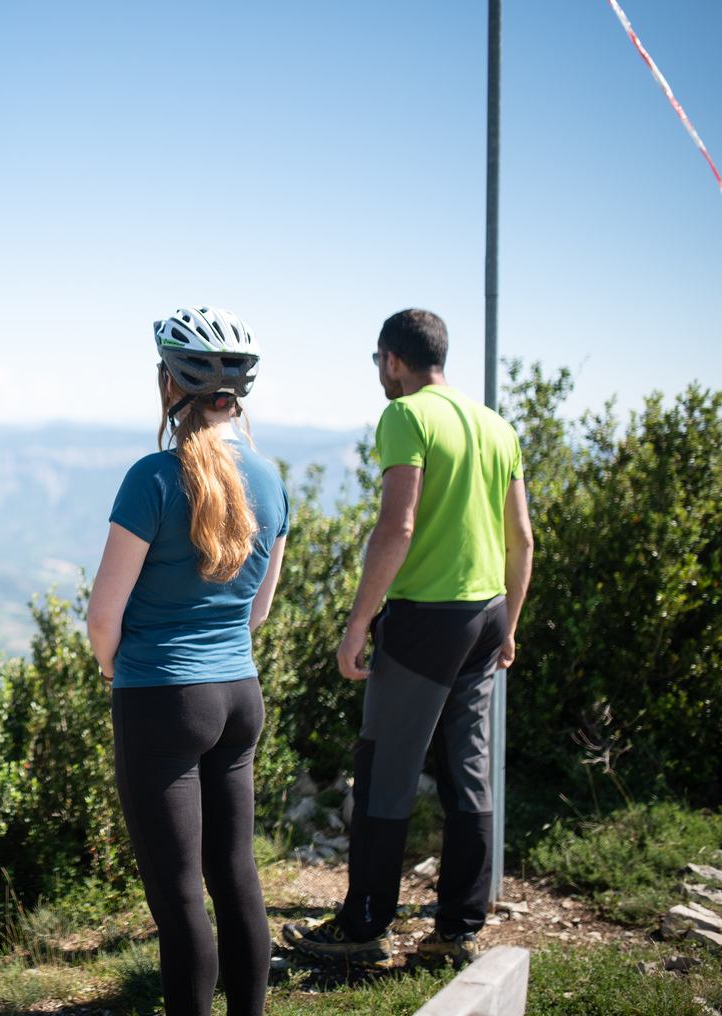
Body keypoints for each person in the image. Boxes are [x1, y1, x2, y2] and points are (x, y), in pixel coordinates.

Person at [284, 308, 534, 968]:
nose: (379, 375)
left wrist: (357, 624)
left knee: (385, 773)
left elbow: (397, 529)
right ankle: (457, 930)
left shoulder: (406, 416)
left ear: (393, 360)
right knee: (467, 775)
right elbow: (522, 538)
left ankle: (365, 926)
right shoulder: (496, 425)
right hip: (484, 615)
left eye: (377, 362)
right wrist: (509, 623)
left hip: (425, 617)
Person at [89, 306, 289, 1016]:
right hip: (239, 695)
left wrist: (117, 669)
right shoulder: (271, 482)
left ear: (169, 385)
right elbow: (258, 610)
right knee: (236, 876)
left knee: (178, 897)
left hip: (162, 699)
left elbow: (103, 616)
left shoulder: (151, 478)